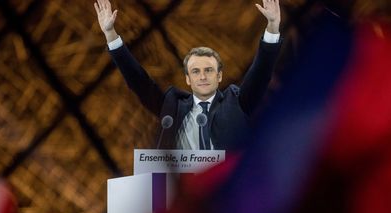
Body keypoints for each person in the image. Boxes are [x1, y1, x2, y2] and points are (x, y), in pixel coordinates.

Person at [94, 0, 282, 150]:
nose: (202, 76)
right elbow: (139, 81)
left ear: (219, 76)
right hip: (184, 194)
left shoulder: (236, 102)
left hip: (231, 190)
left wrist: (273, 26)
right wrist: (110, 33)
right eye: (195, 71)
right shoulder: (172, 106)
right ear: (187, 79)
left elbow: (261, 72)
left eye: (208, 70)